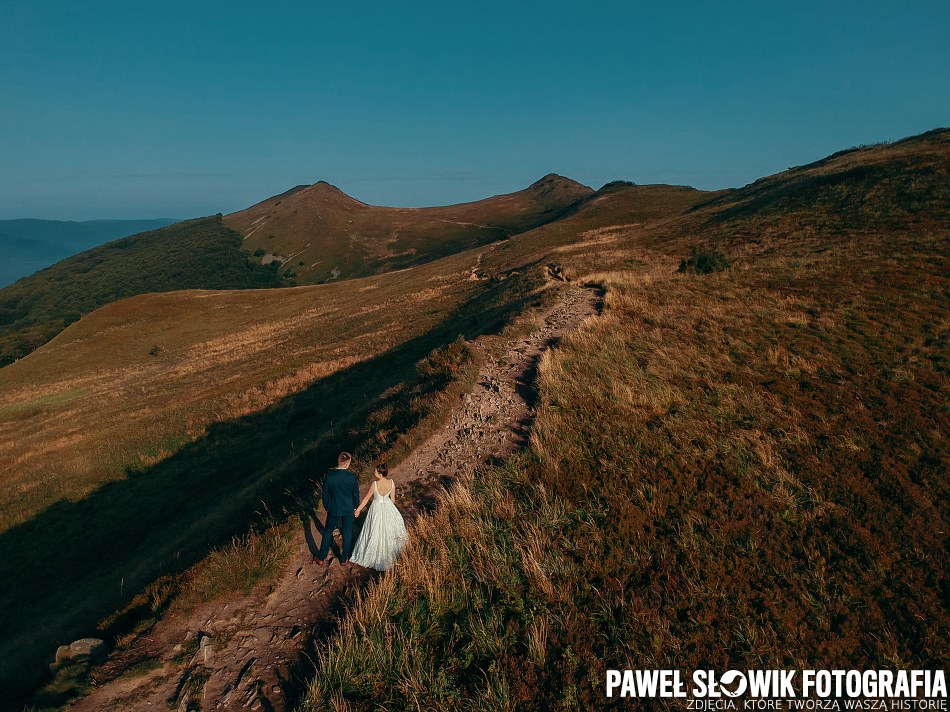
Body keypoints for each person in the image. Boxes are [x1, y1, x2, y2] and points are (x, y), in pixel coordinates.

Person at [349, 463, 408, 571]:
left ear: (380, 474)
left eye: (376, 471)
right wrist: (389, 508)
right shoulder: (391, 482)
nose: (374, 472)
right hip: (388, 505)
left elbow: (366, 499)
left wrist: (358, 510)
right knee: (388, 529)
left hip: (376, 508)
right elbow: (393, 499)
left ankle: (372, 555)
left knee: (373, 530)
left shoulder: (375, 484)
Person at [314, 451, 360, 565]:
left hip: (334, 508)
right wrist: (355, 507)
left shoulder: (329, 477)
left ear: (338, 461)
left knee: (328, 532)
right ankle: (344, 559)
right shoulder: (352, 477)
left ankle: (321, 558)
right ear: (347, 463)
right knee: (347, 532)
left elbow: (324, 495)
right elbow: (355, 495)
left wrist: (327, 506)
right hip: (348, 508)